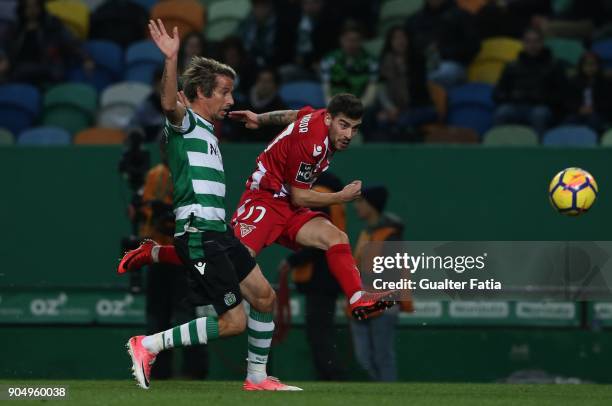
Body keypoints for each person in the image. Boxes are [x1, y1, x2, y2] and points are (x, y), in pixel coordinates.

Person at [118, 19, 301, 392]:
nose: (231, 100)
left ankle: (256, 377)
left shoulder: (208, 130)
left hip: (221, 233)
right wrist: (171, 59)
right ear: (201, 92)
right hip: (201, 233)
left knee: (265, 298)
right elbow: (169, 103)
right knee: (234, 322)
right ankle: (148, 344)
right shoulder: (184, 122)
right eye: (225, 92)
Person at [138, 140, 209, 380]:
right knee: (157, 316)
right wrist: (150, 211)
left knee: (185, 316)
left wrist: (168, 213)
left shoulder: (193, 175)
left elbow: (197, 215)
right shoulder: (154, 175)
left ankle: (194, 370)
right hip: (158, 254)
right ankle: (158, 372)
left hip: (184, 257)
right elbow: (145, 211)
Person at [283, 172, 346, 381]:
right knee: (323, 330)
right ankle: (331, 374)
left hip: (319, 277)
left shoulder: (318, 196)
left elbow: (318, 243)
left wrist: (291, 262)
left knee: (318, 333)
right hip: (332, 274)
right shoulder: (333, 198)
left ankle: (332, 376)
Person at [350, 185, 408, 382]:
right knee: (364, 358)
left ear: (372, 205)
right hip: (363, 301)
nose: (357, 206)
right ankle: (377, 394)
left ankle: (389, 396)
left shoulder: (390, 235)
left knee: (382, 356)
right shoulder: (367, 233)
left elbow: (392, 273)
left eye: (361, 201)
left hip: (383, 302)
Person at [493, 27, 567, 135]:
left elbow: (562, 93)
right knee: (502, 112)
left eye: (536, 41)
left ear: (542, 42)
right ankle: (499, 148)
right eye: (528, 41)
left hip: (542, 106)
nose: (532, 45)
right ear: (522, 43)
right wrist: (512, 96)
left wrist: (542, 98)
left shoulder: (554, 66)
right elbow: (497, 92)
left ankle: (539, 149)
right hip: (515, 105)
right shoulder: (512, 66)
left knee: (539, 115)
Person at [374, 26, 437, 141]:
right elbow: (381, 90)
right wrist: (390, 109)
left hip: (421, 108)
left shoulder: (418, 61)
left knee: (402, 122)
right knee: (380, 121)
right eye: (396, 38)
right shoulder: (385, 63)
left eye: (403, 38)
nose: (400, 41)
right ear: (390, 42)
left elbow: (419, 92)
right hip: (395, 109)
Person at [405, 0, 479, 88]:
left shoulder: (462, 16)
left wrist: (443, 52)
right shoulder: (414, 20)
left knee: (442, 73)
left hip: (453, 65)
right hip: (422, 65)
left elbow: (473, 45)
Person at [320, 21, 378, 108]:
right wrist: (332, 106)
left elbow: (371, 90)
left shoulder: (371, 61)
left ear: (361, 41)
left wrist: (358, 108)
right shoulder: (329, 60)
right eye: (348, 40)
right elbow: (326, 88)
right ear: (341, 40)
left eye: (355, 40)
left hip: (361, 108)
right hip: (335, 106)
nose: (351, 44)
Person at [225, 67, 288, 142]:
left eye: (268, 81)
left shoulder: (280, 107)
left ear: (276, 85)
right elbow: (235, 132)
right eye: (260, 80)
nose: (263, 84)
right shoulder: (244, 103)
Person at [563, 52, 612, 133]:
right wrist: (579, 108)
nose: (590, 68)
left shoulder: (605, 82)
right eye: (586, 65)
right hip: (578, 112)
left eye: (593, 65)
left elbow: (608, 102)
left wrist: (594, 108)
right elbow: (567, 101)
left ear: (598, 66)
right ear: (581, 66)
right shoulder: (573, 82)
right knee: (569, 121)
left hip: (599, 112)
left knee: (594, 120)